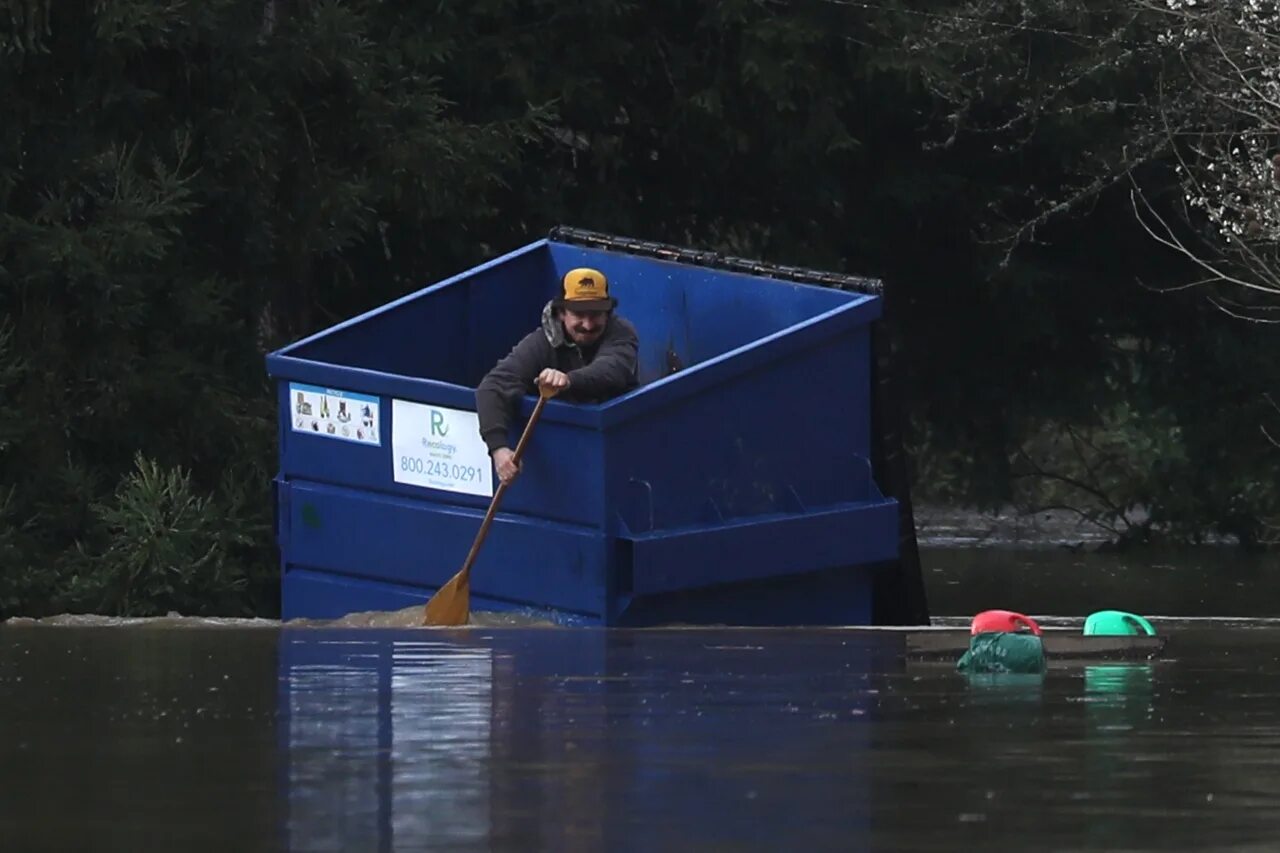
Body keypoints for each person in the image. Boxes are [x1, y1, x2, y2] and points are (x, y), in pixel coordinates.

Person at [477, 267, 639, 484]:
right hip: (558, 461)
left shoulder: (622, 333)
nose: (588, 325)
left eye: (596, 314)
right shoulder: (541, 343)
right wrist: (499, 449)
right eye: (579, 315)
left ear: (608, 313)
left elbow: (612, 369)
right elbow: (494, 386)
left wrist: (567, 380)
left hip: (617, 449)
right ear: (561, 312)